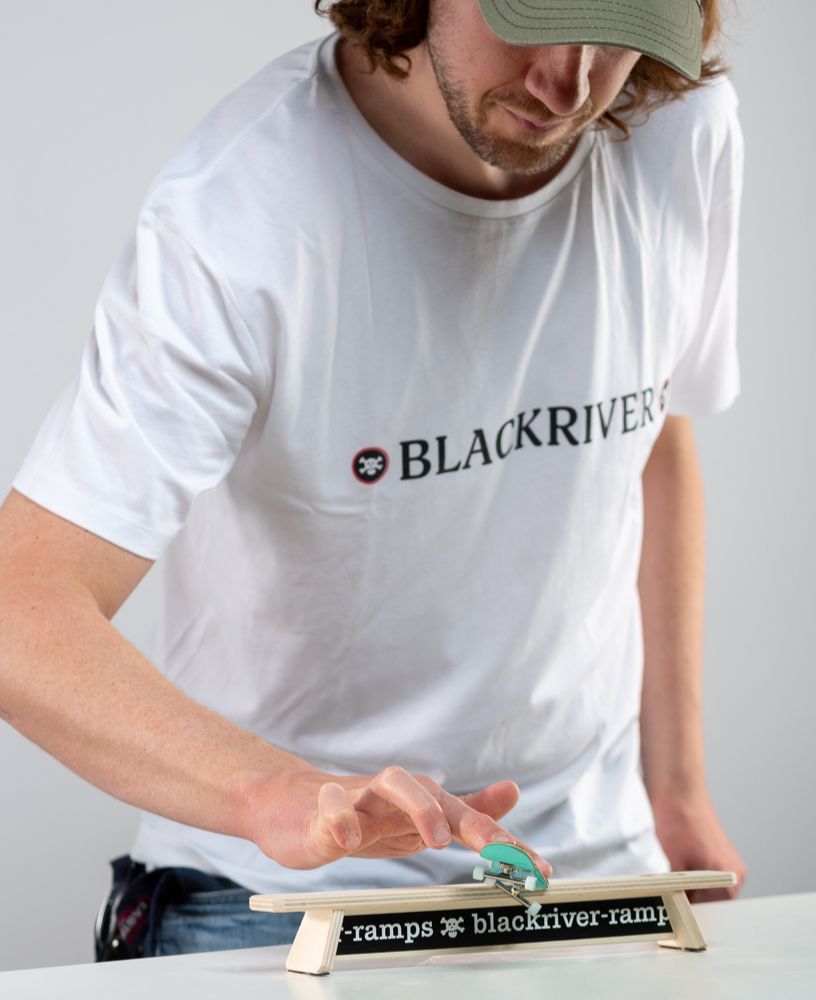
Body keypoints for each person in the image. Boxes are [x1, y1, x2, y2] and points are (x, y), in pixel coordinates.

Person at [0, 0, 746, 956]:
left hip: (594, 873)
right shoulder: (242, 210)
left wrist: (676, 790)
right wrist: (276, 795)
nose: (570, 84)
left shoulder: (679, 131)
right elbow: (22, 612)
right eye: (537, 15)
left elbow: (651, 434)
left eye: (620, 32)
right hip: (281, 896)